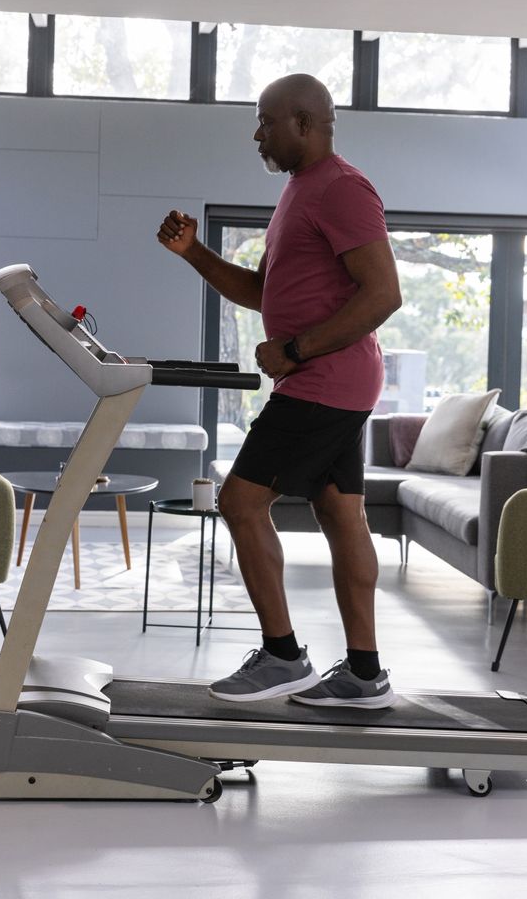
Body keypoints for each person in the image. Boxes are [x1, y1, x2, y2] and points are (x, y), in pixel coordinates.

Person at [156, 73, 402, 708]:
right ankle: (365, 674)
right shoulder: (299, 193)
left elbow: (383, 295)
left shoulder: (343, 189)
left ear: (303, 122)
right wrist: (193, 253)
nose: (256, 134)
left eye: (265, 121)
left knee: (240, 503)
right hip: (335, 380)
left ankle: (283, 656)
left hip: (325, 378)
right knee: (341, 514)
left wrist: (294, 350)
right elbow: (261, 293)